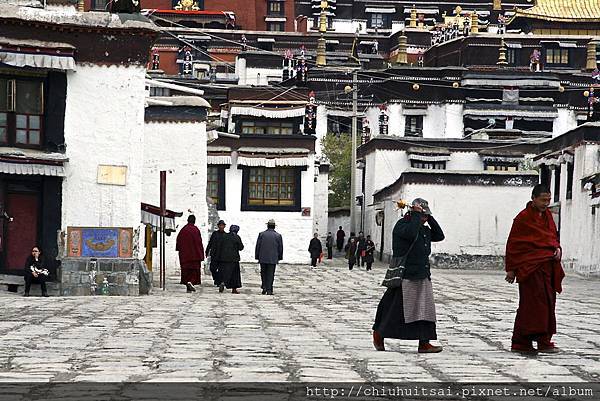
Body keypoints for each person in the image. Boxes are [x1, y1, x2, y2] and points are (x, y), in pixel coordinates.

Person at [372, 198, 445, 354]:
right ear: (413, 214)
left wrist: (429, 218)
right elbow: (411, 235)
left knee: (425, 311)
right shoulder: (402, 226)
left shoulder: (425, 229)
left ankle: (424, 343)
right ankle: (379, 334)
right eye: (423, 216)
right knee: (394, 310)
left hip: (423, 274)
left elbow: (439, 236)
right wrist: (416, 216)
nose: (424, 219)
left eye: (426, 216)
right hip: (404, 275)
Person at [505, 184, 565, 354]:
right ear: (533, 198)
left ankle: (544, 340)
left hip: (547, 267)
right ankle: (521, 342)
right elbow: (514, 244)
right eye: (543, 200)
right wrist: (511, 269)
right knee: (530, 306)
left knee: (548, 304)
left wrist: (557, 250)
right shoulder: (523, 218)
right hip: (530, 269)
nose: (546, 203)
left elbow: (553, 238)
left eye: (548, 200)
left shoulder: (548, 217)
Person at [176, 215, 205, 293]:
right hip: (195, 256)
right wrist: (201, 254)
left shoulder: (183, 230)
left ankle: (188, 285)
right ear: (194, 221)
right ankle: (191, 283)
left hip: (185, 256)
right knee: (194, 272)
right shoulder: (196, 230)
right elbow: (199, 243)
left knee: (186, 271)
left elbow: (178, 242)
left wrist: (180, 250)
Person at [255, 219, 283, 295]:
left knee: (263, 273)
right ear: (274, 226)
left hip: (263, 257)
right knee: (270, 274)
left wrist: (257, 256)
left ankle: (264, 286)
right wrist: (279, 257)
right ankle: (269, 289)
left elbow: (258, 246)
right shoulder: (278, 236)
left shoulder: (261, 234)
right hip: (273, 258)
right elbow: (280, 248)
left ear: (267, 226)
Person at [217, 225, 244, 294]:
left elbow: (219, 246)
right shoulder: (236, 237)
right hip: (234, 259)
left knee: (225, 272)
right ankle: (234, 288)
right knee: (234, 274)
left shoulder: (224, 236)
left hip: (224, 258)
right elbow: (241, 247)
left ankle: (223, 282)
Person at [205, 220, 227, 286]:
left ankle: (219, 281)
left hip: (222, 255)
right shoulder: (215, 234)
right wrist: (207, 251)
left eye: (222, 225)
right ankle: (217, 279)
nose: (221, 227)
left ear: (224, 226)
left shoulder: (226, 235)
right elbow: (210, 243)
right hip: (214, 254)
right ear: (218, 226)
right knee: (212, 268)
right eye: (220, 225)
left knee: (221, 270)